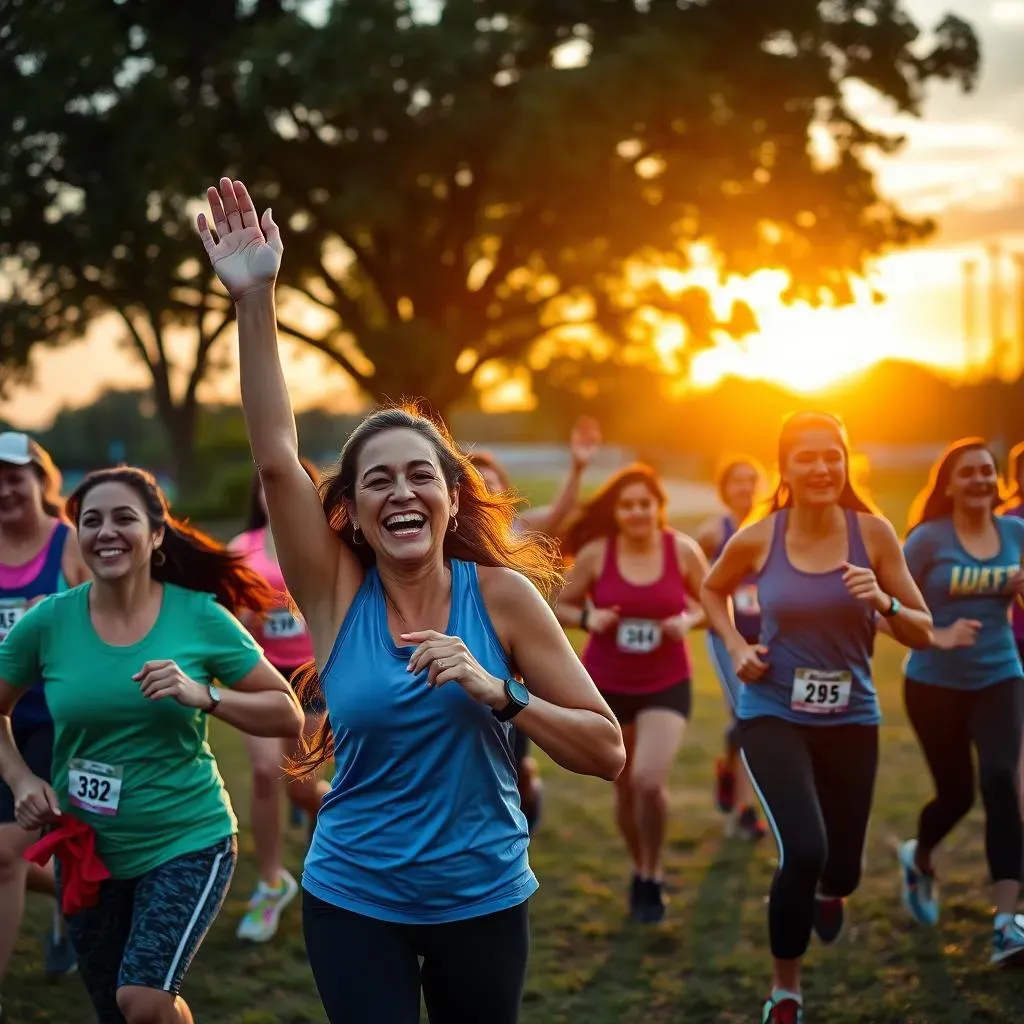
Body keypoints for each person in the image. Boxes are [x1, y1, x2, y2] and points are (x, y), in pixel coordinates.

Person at [197, 176, 625, 1024]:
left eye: (420, 474)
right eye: (377, 480)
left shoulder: (501, 600)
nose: (401, 491)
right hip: (354, 894)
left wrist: (499, 692)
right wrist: (256, 297)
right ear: (351, 511)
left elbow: (606, 750)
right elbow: (279, 458)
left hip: (483, 895)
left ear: (452, 499)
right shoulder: (333, 594)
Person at [0, 466, 304, 1024]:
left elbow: (284, 711)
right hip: (87, 848)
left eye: (124, 518)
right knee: (119, 1011)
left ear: (156, 533)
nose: (106, 531)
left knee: (142, 1000)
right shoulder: (49, 622)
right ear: (77, 535)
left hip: (187, 840)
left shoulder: (198, 617)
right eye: (91, 520)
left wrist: (204, 694)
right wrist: (21, 778)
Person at [700, 411, 932, 1024]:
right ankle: (786, 991)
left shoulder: (874, 535)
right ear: (787, 467)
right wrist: (737, 646)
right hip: (774, 709)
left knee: (843, 867)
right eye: (808, 457)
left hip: (852, 716)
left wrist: (880, 600)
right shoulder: (760, 536)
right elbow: (711, 588)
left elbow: (923, 629)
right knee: (803, 849)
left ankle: (834, 893)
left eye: (833, 455)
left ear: (845, 462)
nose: (822, 467)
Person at [889, 439, 1024, 964]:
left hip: (1000, 675)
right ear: (947, 483)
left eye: (987, 472)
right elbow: (885, 609)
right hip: (933, 683)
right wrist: (938, 634)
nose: (980, 480)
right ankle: (918, 857)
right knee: (956, 796)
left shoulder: (1015, 533)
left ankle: (1006, 924)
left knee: (999, 782)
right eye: (968, 472)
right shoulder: (926, 540)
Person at [555, 464, 709, 923]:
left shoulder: (682, 551)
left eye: (646, 503)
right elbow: (556, 606)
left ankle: (654, 870)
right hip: (606, 684)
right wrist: (588, 619)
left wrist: (688, 620)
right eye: (628, 504)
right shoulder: (599, 554)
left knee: (648, 781)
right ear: (617, 511)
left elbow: (709, 602)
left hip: (666, 682)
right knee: (623, 793)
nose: (638, 511)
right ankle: (640, 867)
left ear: (659, 508)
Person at [469, 416, 602, 835]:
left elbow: (561, 512)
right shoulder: (449, 536)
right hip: (465, 655)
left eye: (493, 483)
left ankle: (527, 791)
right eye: (477, 483)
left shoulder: (518, 532)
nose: (487, 489)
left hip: (514, 663)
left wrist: (578, 467)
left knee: (515, 753)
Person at [0, 433, 88, 1018]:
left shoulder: (70, 544)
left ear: (40, 480)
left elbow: (107, 619)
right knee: (11, 854)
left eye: (15, 475)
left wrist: (53, 622)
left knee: (6, 853)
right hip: (0, 717)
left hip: (58, 717)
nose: (5, 489)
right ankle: (67, 899)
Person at [230, 464, 330, 943]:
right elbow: (228, 619)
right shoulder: (242, 548)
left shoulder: (327, 542)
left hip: (312, 676)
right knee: (265, 773)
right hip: (261, 675)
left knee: (302, 785)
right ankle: (271, 882)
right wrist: (245, 616)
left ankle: (335, 815)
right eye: (267, 487)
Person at [696, 455, 768, 841]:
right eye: (737, 482)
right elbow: (694, 579)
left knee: (756, 716)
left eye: (751, 480)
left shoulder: (773, 529)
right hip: (727, 638)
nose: (745, 488)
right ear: (724, 490)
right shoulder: (713, 532)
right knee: (748, 716)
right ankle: (745, 810)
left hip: (769, 638)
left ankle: (728, 765)